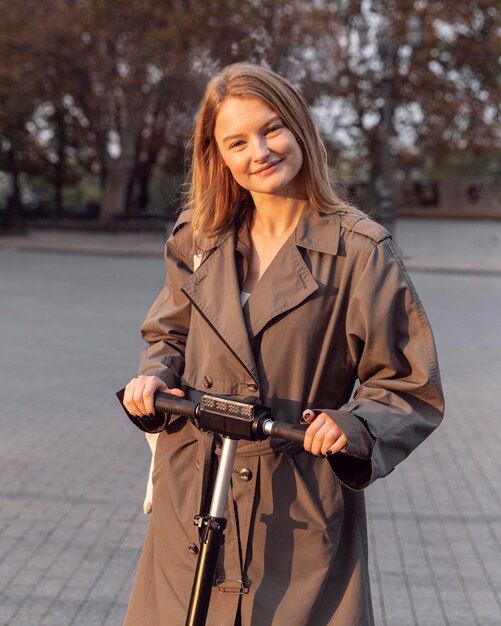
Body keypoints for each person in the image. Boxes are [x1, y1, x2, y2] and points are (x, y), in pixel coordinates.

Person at [122, 62, 444, 626]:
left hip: (295, 497)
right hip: (191, 491)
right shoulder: (199, 237)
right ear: (217, 154)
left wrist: (355, 425)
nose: (260, 152)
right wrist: (155, 375)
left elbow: (408, 385)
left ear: (298, 126)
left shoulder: (360, 251)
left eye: (272, 129)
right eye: (237, 141)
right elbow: (169, 333)